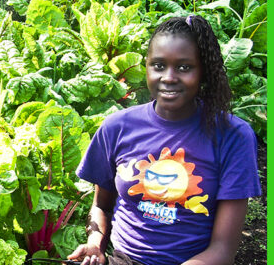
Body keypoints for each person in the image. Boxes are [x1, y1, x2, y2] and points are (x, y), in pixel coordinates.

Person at [67, 16, 262, 265]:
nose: (168, 77)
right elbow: (101, 206)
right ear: (147, 67)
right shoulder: (117, 127)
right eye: (158, 65)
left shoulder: (232, 136)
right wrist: (95, 245)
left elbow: (223, 249)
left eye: (184, 67)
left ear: (203, 72)